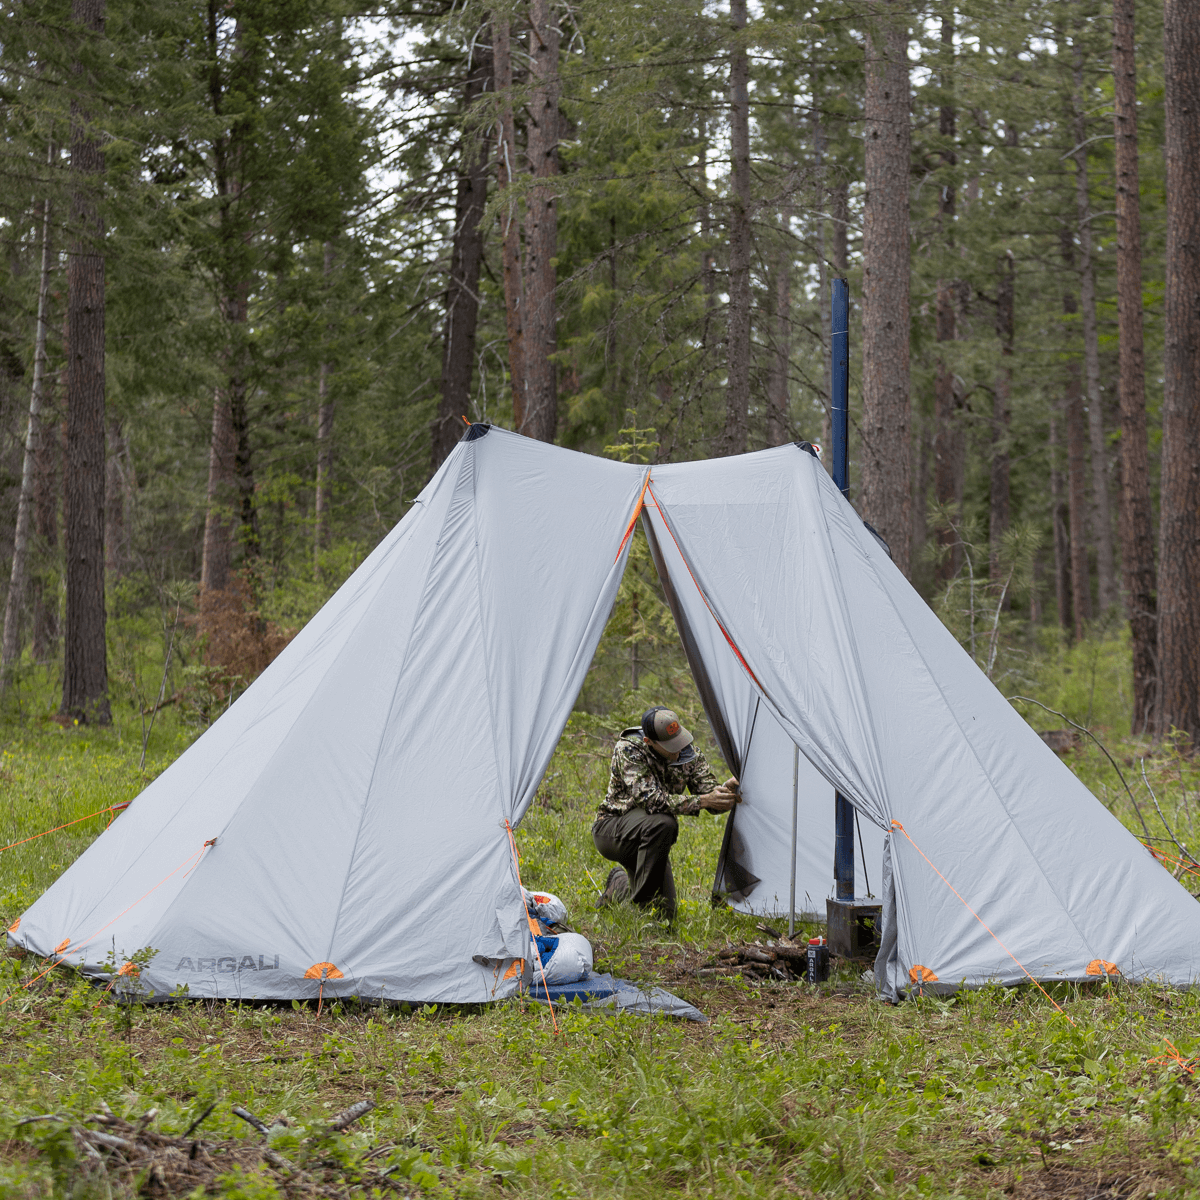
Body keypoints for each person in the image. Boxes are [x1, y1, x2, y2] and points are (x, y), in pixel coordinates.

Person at [592, 706, 739, 921]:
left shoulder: (690, 753)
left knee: (665, 916)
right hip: (614, 831)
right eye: (670, 747)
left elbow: (709, 798)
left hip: (653, 839)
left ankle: (618, 885)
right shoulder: (629, 750)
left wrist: (724, 793)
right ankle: (640, 913)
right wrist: (704, 800)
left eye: (678, 741)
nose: (678, 750)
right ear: (649, 742)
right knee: (663, 822)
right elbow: (651, 800)